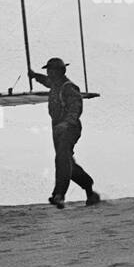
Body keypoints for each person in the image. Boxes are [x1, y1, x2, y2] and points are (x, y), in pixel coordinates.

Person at [28, 58, 99, 209]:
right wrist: (35, 76)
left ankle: (59, 195)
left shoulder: (68, 87)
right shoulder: (55, 84)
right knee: (68, 164)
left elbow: (76, 107)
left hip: (69, 128)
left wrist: (66, 123)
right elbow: (46, 81)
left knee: (61, 159)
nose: (49, 73)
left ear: (60, 71)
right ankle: (89, 189)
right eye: (48, 70)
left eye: (51, 70)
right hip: (57, 129)